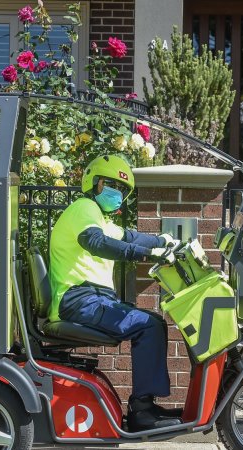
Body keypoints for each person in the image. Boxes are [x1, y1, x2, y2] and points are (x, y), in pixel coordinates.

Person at [48, 154, 182, 431]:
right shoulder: (84, 207)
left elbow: (129, 236)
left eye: (120, 189)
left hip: (89, 299)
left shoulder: (98, 217)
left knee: (152, 322)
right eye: (108, 184)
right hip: (77, 299)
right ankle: (141, 411)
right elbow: (95, 243)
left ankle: (144, 406)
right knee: (148, 325)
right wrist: (150, 253)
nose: (114, 192)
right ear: (93, 183)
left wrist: (166, 241)